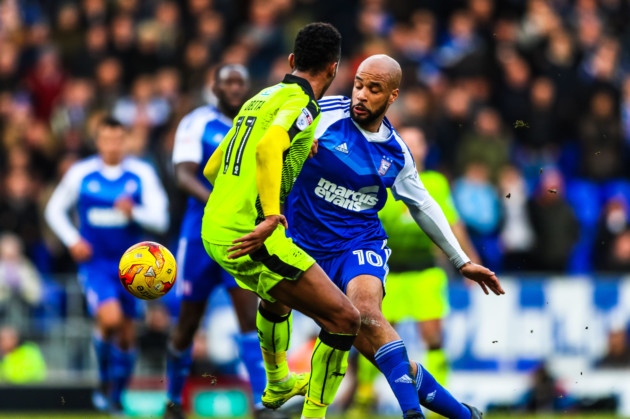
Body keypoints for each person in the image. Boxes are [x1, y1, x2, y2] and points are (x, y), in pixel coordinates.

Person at [285, 54, 505, 419]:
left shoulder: (395, 153)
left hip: (359, 243)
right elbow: (272, 136)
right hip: (306, 246)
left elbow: (424, 206)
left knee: (366, 312)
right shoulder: (321, 115)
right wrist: (293, 142)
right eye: (358, 85)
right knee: (384, 355)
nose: (361, 95)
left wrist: (462, 261)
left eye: (373, 89)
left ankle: (411, 415)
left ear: (392, 96)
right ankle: (466, 416)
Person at [201, 22, 361, 419]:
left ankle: (277, 383)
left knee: (276, 297)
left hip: (215, 228)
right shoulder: (303, 105)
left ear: (292, 61)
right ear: (333, 69)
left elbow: (212, 167)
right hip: (250, 233)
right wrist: (272, 212)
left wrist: (298, 147)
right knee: (345, 318)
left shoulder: (262, 97)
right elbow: (272, 144)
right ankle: (314, 415)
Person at [164, 63, 286, 419]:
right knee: (187, 321)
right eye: (228, 82)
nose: (234, 88)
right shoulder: (196, 123)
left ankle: (265, 405)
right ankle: (172, 400)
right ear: (214, 88)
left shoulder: (257, 123)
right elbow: (183, 175)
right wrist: (220, 203)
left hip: (240, 233)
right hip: (199, 234)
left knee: (250, 316)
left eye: (240, 82)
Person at [347, 126, 482, 414]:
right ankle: (365, 395)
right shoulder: (378, 180)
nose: (412, 147)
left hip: (424, 272)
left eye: (417, 142)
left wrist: (469, 258)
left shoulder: (435, 183)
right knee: (377, 333)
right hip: (388, 271)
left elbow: (451, 223)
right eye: (406, 142)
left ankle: (440, 400)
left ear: (424, 149)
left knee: (433, 336)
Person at [45, 116, 169, 415]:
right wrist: (73, 239)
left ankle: (116, 395)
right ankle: (103, 382)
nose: (112, 144)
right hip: (96, 264)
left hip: (132, 268)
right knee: (110, 320)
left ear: (125, 141)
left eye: (118, 139)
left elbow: (161, 218)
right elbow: (54, 209)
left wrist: (134, 211)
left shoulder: (141, 173)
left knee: (127, 336)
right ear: (98, 141)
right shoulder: (81, 173)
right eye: (106, 139)